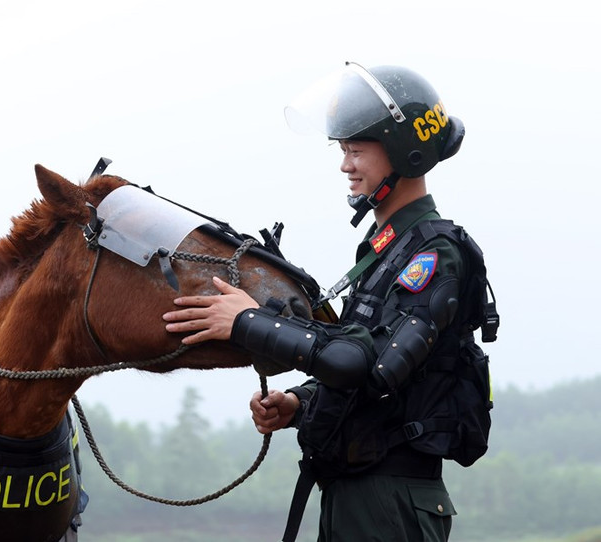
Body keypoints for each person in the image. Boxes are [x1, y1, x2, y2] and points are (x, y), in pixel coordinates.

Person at [163, 61, 497, 541]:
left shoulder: (433, 254)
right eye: (343, 150)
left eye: (356, 151)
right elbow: (370, 371)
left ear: (406, 154)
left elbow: (371, 368)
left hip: (389, 500)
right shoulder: (389, 248)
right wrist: (299, 403)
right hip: (360, 493)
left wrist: (246, 322)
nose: (345, 165)